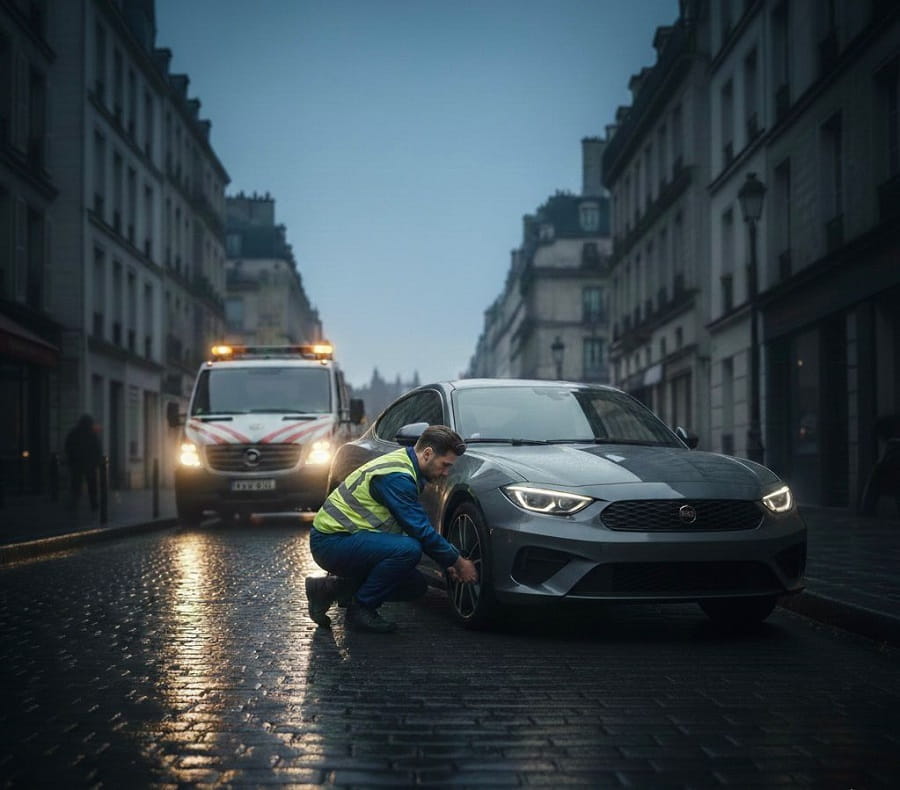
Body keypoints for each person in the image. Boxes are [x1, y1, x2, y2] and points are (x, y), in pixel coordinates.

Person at [306, 425, 479, 632]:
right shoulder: (397, 477)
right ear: (427, 454)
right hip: (330, 543)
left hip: (347, 539)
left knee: (414, 586)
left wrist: (447, 561)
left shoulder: (406, 466)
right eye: (445, 465)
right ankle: (362, 609)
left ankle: (328, 589)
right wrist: (457, 561)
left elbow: (413, 527)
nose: (446, 473)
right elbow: (420, 530)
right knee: (408, 550)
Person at [64, 414, 103, 513]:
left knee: (76, 485)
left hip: (77, 464)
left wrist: (71, 459)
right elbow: (97, 449)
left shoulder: (74, 433)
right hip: (89, 464)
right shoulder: (92, 434)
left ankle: (74, 503)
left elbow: (68, 447)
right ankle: (93, 503)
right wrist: (97, 462)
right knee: (91, 485)